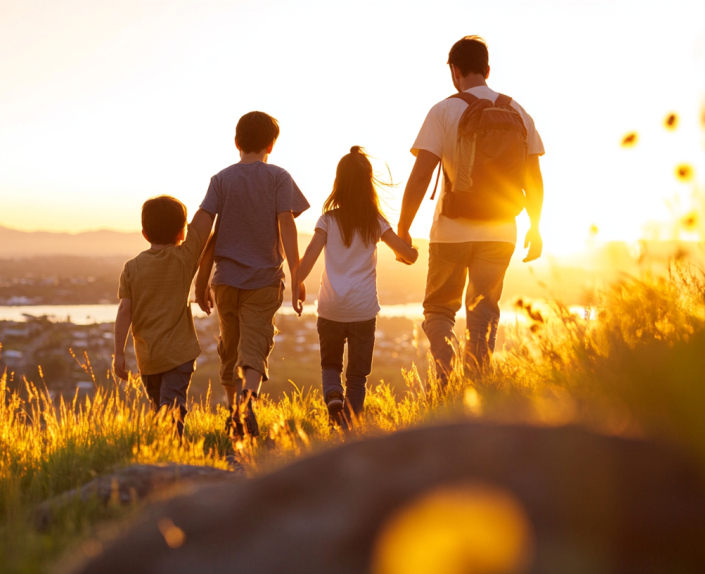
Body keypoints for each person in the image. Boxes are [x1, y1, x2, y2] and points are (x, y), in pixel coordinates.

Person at [396, 35, 546, 384]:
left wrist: (403, 229)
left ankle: (446, 373)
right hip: (502, 231)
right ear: (488, 70)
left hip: (451, 231)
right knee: (482, 314)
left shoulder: (444, 110)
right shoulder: (518, 112)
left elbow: (420, 177)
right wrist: (536, 228)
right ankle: (475, 388)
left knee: (438, 310)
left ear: (454, 71)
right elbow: (534, 180)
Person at [194, 111, 310, 438]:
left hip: (225, 281)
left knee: (228, 349)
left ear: (236, 143)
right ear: (271, 145)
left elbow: (207, 230)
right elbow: (287, 223)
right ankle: (248, 401)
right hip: (264, 280)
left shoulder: (221, 180)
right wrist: (297, 274)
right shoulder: (278, 177)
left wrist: (198, 280)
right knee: (255, 345)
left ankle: (234, 413)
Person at [296, 147, 418, 428]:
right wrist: (411, 252)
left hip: (330, 309)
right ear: (368, 184)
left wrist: (296, 287)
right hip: (363, 311)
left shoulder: (327, 220)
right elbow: (407, 256)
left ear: (339, 183)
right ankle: (350, 426)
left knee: (330, 365)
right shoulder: (375, 221)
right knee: (357, 376)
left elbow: (307, 261)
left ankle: (332, 396)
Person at [113, 195, 214, 438]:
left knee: (161, 410)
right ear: (181, 233)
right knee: (171, 409)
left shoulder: (131, 267)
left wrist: (118, 353)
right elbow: (205, 221)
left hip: (148, 357)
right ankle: (173, 457)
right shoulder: (184, 257)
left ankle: (168, 455)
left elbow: (124, 311)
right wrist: (216, 194)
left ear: (144, 233)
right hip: (180, 354)